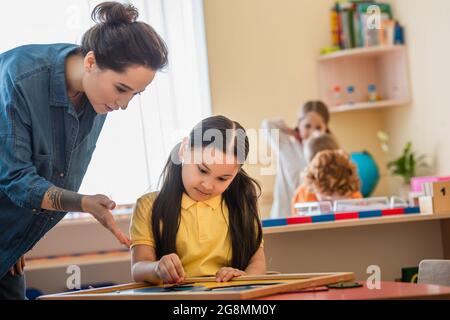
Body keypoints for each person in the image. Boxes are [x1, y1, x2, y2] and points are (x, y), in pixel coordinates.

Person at [0, 1, 168, 299]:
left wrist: (16, 238)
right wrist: (84, 203)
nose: (125, 104)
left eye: (135, 94)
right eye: (121, 88)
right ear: (90, 62)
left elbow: (48, 178)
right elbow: (16, 179)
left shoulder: (96, 97)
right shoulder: (19, 77)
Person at [130, 116, 266, 284]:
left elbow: (258, 262)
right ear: (183, 150)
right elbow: (138, 268)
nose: (208, 186)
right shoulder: (149, 206)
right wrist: (157, 268)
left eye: (223, 179)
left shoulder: (243, 201)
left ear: (236, 173)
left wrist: (244, 278)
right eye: (202, 170)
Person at [261, 101, 331, 217]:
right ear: (299, 124)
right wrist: (291, 131)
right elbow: (267, 125)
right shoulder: (286, 145)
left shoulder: (327, 152)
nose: (312, 132)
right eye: (307, 126)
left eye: (318, 127)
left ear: (326, 129)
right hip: (284, 215)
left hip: (313, 218)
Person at [291, 149, 362, 213]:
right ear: (314, 188)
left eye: (339, 202)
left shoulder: (353, 195)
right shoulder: (302, 196)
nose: (333, 210)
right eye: (326, 201)